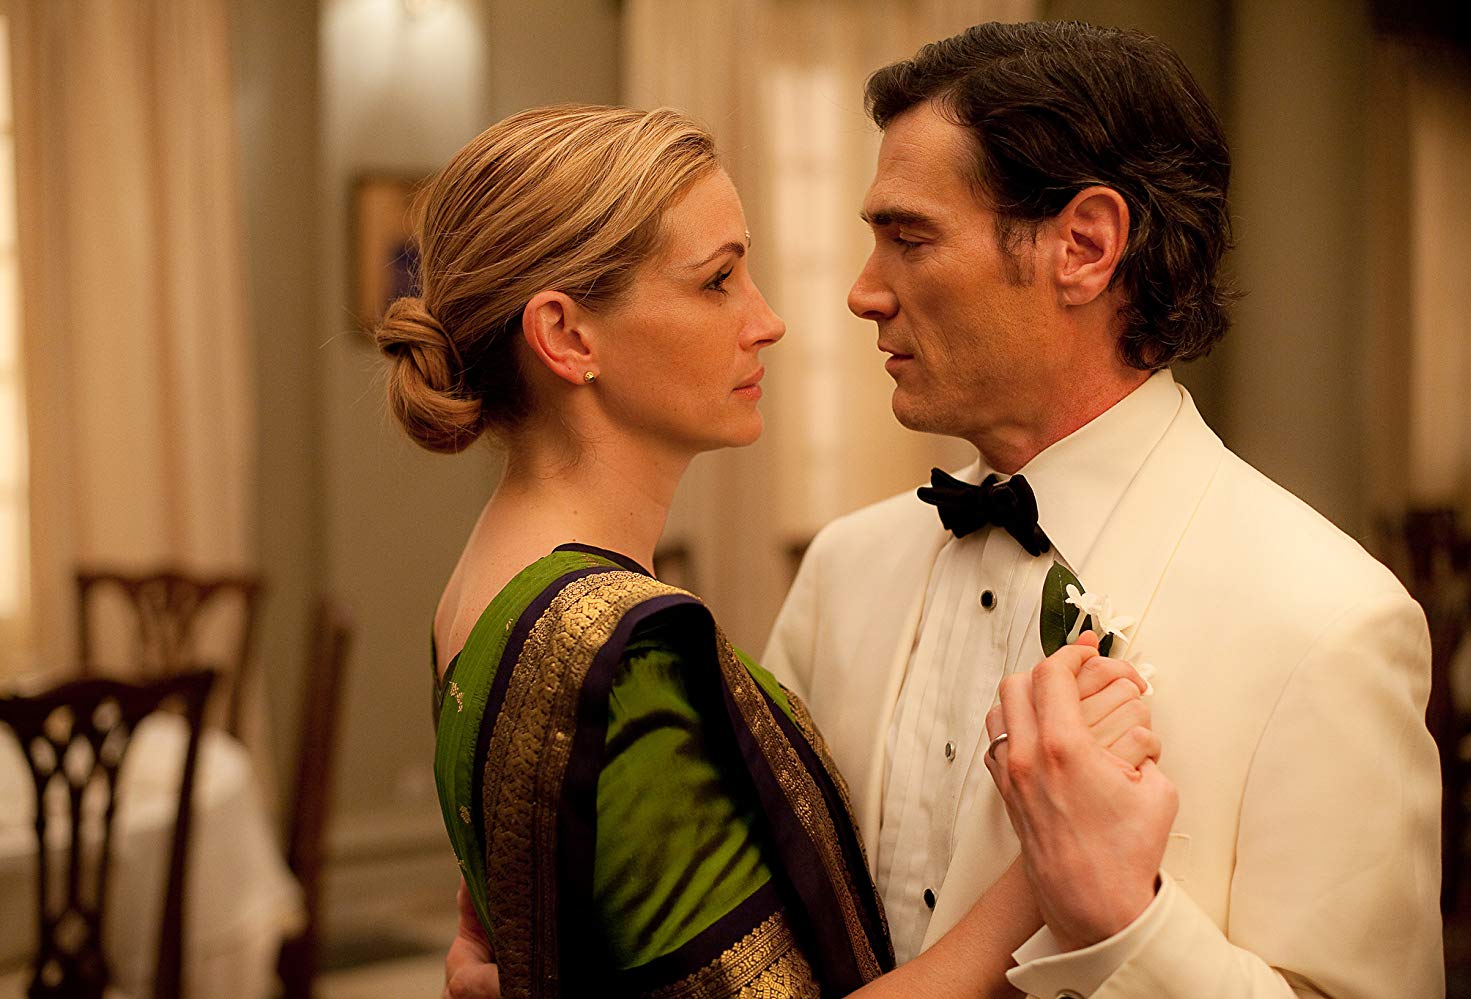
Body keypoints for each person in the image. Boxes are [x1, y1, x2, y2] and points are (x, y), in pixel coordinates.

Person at [377, 104, 1162, 999]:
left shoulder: (482, 579)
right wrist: (1039, 869)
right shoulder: (617, 650)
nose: (768, 320)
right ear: (566, 335)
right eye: (718, 280)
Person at [762, 19, 1444, 998]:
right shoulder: (842, 570)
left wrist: (1124, 921)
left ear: (1084, 246)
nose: (863, 294)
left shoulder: (1331, 623)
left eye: (909, 238)